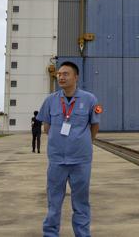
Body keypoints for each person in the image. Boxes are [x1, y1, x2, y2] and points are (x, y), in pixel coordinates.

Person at [39, 61, 100, 237]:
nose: (61, 77)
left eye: (65, 74)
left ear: (76, 77)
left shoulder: (90, 99)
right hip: (57, 160)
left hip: (80, 161)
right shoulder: (50, 100)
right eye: (59, 74)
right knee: (53, 203)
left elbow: (94, 126)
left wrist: (83, 142)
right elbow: (46, 127)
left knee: (81, 203)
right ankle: (50, 234)